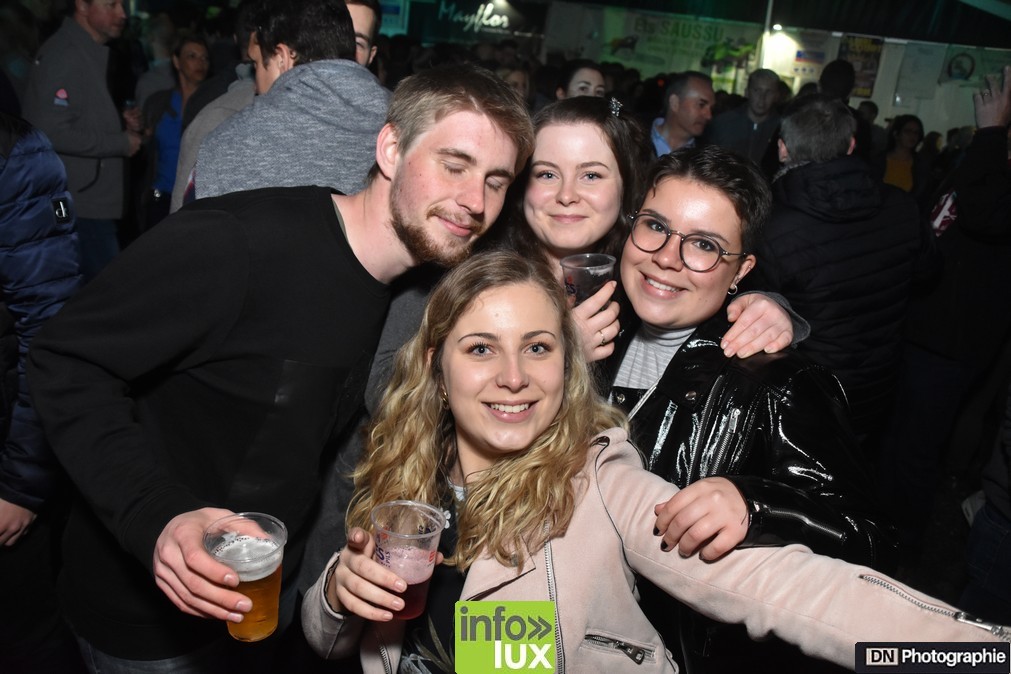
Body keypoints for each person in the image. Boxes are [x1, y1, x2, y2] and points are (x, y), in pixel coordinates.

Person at [26, 63, 534, 672]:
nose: (475, 201)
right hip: (149, 619)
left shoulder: (411, 294)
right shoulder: (240, 244)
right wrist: (155, 516)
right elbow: (66, 360)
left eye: (496, 181)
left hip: (264, 609)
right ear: (390, 148)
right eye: (454, 165)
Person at [301, 250, 1007, 673]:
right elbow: (333, 641)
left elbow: (790, 593)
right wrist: (337, 591)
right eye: (481, 348)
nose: (513, 377)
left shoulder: (599, 482)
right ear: (436, 365)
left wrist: (974, 655)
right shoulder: (406, 468)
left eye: (539, 347)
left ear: (567, 365)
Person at [601, 145, 896, 672]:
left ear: (741, 271)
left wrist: (756, 507)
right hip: (572, 618)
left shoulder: (779, 384)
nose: (667, 257)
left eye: (705, 245)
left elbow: (870, 540)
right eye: (655, 226)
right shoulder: (594, 329)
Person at [746, 94, 925, 448]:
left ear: (783, 149)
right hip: (875, 388)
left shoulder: (770, 226)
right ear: (851, 144)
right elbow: (927, 273)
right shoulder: (903, 206)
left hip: (802, 395)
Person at [0, 111, 85, 674]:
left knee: (24, 635)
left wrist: (21, 486)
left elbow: (50, 330)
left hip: (6, 453)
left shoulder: (15, 153)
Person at [191, 0, 388, 205]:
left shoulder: (225, 144)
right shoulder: (401, 122)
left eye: (256, 65)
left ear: (282, 59)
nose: (255, 85)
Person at [21, 0, 142, 281]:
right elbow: (50, 130)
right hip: (77, 202)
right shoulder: (65, 53)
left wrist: (118, 120)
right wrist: (120, 142)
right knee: (105, 292)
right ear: (82, 6)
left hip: (86, 197)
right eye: (111, 5)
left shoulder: (85, 50)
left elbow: (74, 114)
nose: (122, 14)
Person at [139, 33, 209, 229]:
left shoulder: (214, 106)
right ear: (176, 61)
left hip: (195, 201)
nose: (200, 63)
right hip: (160, 198)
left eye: (205, 58)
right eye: (192, 56)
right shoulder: (159, 103)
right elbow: (146, 152)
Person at [703, 68, 781, 164]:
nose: (762, 98)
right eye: (757, 90)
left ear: (776, 96)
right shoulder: (722, 124)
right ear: (747, 92)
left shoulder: (781, 129)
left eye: (769, 92)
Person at [650, 70, 714, 156]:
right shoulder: (635, 138)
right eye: (701, 105)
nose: (709, 116)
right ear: (675, 103)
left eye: (712, 108)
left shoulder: (706, 156)